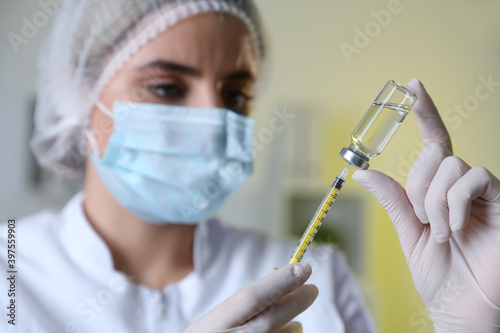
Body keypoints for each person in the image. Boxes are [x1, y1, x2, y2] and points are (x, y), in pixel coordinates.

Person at [1, 0, 499, 332]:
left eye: (236, 94)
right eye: (166, 87)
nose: (214, 118)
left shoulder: (316, 276)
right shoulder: (9, 274)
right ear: (77, 91)